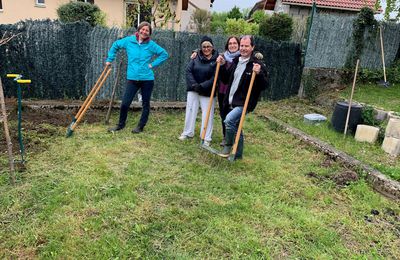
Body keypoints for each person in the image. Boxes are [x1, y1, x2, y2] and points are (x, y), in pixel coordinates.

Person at [106, 21, 168, 133]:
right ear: (138, 30)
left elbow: (164, 54)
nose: (144, 32)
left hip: (147, 79)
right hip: (132, 79)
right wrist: (109, 59)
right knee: (125, 103)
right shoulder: (129, 41)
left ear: (149, 33)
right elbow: (115, 45)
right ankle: (120, 125)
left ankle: (140, 126)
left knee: (145, 103)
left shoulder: (151, 45)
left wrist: (152, 64)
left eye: (147, 30)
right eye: (142, 29)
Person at [216, 35, 268, 160]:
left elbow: (265, 85)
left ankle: (228, 146)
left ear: (252, 47)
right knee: (237, 125)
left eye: (246, 46)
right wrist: (222, 65)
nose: (243, 48)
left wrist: (259, 73)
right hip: (231, 99)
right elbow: (224, 79)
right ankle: (238, 154)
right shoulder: (235, 61)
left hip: (244, 102)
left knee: (229, 120)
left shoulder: (256, 64)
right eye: (242, 46)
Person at [179, 36, 219, 146]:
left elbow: (215, 76)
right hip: (193, 89)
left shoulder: (217, 59)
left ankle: (206, 137)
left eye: (208, 46)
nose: (206, 49)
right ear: (200, 48)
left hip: (207, 91)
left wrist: (202, 86)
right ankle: (188, 132)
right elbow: (188, 71)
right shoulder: (195, 57)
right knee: (190, 110)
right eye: (204, 46)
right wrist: (194, 85)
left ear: (213, 47)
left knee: (207, 114)